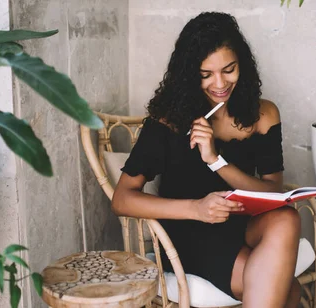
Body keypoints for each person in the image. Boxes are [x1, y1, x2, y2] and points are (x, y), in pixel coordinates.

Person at [112, 12, 301, 308]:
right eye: (206, 74)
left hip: (242, 222)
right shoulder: (168, 121)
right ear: (190, 73)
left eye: (229, 70)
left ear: (243, 66)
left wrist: (216, 160)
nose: (219, 84)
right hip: (188, 231)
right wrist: (197, 208)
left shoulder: (263, 114)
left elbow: (273, 193)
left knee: (287, 218)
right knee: (289, 292)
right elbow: (122, 199)